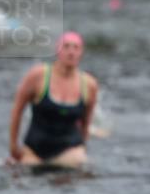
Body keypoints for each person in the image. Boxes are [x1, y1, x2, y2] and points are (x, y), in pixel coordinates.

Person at [8, 31, 98, 168]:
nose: (71, 52)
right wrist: (13, 147)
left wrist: (84, 146)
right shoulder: (37, 76)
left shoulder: (89, 85)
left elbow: (86, 122)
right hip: (34, 151)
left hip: (69, 151)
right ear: (57, 50)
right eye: (66, 47)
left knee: (82, 168)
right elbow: (16, 111)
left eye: (76, 48)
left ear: (81, 53)